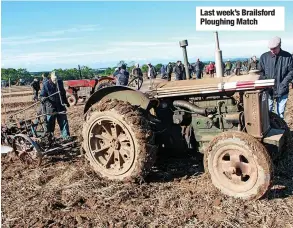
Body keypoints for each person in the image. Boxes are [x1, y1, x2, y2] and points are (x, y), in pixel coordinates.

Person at [259, 36, 293, 119]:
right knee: (267, 112)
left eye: (274, 48)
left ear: (280, 45)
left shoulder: (288, 57)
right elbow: (260, 72)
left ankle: (280, 129)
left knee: (280, 113)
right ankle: (270, 130)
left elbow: (291, 71)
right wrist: (266, 82)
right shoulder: (264, 57)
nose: (272, 51)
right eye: (271, 49)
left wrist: (284, 83)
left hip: (282, 89)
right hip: (268, 90)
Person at [40, 71, 71, 139]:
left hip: (60, 106)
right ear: (51, 78)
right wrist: (43, 98)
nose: (55, 81)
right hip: (51, 108)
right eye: (54, 79)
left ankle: (66, 137)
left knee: (64, 122)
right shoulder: (46, 84)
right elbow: (42, 95)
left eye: (56, 79)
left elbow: (63, 94)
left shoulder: (60, 83)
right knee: (50, 124)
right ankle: (50, 137)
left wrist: (66, 102)